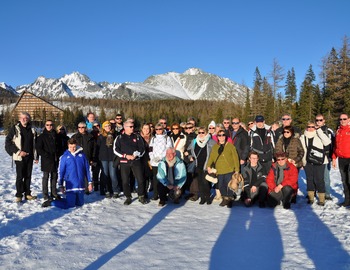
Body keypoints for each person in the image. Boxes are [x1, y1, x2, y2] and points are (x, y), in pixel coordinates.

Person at [42, 138, 93, 208]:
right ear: (68, 146)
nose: (73, 149)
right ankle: (52, 202)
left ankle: (65, 200)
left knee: (80, 204)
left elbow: (87, 170)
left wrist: (90, 182)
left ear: (77, 145)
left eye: (74, 147)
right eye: (71, 147)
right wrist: (61, 185)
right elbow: (61, 172)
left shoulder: (82, 156)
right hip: (70, 186)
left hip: (80, 185)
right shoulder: (65, 157)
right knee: (70, 205)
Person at [5, 112, 39, 202]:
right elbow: (8, 142)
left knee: (28, 176)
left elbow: (36, 144)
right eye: (23, 118)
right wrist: (18, 152)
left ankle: (27, 193)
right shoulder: (15, 128)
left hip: (30, 156)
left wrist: (36, 156)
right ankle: (19, 195)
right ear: (19, 119)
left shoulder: (32, 129)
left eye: (26, 118)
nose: (24, 119)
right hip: (19, 157)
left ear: (29, 119)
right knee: (20, 176)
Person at [113, 120, 147, 205]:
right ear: (125, 127)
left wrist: (136, 155)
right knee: (125, 181)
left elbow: (142, 149)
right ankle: (128, 196)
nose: (132, 128)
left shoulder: (137, 136)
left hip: (136, 161)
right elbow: (115, 150)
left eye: (133, 126)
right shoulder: (119, 137)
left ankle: (141, 195)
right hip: (125, 162)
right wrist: (125, 156)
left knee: (140, 179)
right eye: (130, 127)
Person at [300, 121, 331, 206]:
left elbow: (327, 142)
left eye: (313, 127)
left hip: (320, 161)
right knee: (309, 179)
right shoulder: (302, 137)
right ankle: (311, 198)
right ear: (306, 127)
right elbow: (302, 151)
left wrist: (319, 130)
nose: (310, 128)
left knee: (319, 179)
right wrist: (303, 162)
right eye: (309, 126)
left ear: (315, 128)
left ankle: (321, 198)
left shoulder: (319, 135)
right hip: (307, 161)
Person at [207, 130, 240, 208]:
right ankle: (225, 198)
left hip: (229, 169)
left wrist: (237, 170)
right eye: (219, 135)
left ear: (225, 136)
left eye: (223, 135)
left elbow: (235, 158)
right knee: (221, 185)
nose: (221, 137)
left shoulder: (230, 146)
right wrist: (208, 166)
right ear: (217, 137)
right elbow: (211, 157)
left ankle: (230, 199)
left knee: (229, 185)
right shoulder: (215, 146)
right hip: (219, 170)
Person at [186, 127, 216, 204]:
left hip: (207, 165)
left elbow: (215, 154)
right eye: (199, 133)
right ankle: (202, 197)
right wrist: (190, 157)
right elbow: (188, 151)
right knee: (200, 182)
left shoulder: (211, 142)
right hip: (197, 164)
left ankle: (208, 197)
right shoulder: (194, 141)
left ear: (206, 133)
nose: (201, 134)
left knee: (205, 182)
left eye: (203, 132)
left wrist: (212, 165)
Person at [36, 120, 61, 201]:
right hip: (46, 159)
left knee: (54, 176)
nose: (49, 126)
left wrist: (58, 154)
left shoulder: (56, 136)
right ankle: (45, 194)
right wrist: (46, 155)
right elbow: (39, 148)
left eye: (51, 125)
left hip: (55, 159)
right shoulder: (41, 137)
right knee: (46, 177)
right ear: (45, 126)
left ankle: (53, 192)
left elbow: (59, 146)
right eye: (47, 125)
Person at [149, 123, 173, 200]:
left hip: (163, 161)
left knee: (163, 178)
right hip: (154, 162)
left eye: (160, 129)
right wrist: (152, 157)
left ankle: (163, 195)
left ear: (163, 129)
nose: (158, 131)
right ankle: (155, 194)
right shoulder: (153, 138)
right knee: (155, 179)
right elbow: (150, 149)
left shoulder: (167, 138)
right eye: (157, 129)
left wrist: (160, 157)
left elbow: (168, 149)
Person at [96, 121, 119, 198]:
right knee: (105, 174)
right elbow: (98, 147)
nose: (108, 127)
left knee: (113, 175)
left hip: (113, 157)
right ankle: (107, 190)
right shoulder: (101, 136)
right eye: (106, 126)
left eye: (109, 126)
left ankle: (115, 190)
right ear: (103, 127)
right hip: (103, 158)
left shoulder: (115, 135)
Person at [332, 113, 350, 207]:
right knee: (344, 180)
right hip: (342, 159)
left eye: (344, 119)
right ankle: (347, 200)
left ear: (348, 119)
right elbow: (336, 146)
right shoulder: (338, 131)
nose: (342, 121)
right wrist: (334, 158)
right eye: (341, 119)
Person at [71, 122, 95, 194]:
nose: (81, 129)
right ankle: (76, 187)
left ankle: (86, 188)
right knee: (76, 173)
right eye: (79, 127)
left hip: (87, 156)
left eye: (82, 127)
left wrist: (92, 158)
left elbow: (94, 148)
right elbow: (70, 147)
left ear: (85, 128)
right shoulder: (74, 137)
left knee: (86, 173)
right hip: (76, 158)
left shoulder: (90, 137)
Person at [315, 114, 334, 200]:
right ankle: (314, 192)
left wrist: (332, 157)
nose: (318, 122)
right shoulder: (313, 129)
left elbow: (332, 144)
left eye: (320, 120)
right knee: (316, 176)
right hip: (315, 156)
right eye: (317, 120)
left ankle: (327, 194)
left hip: (326, 156)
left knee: (325, 176)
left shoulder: (328, 130)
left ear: (324, 120)